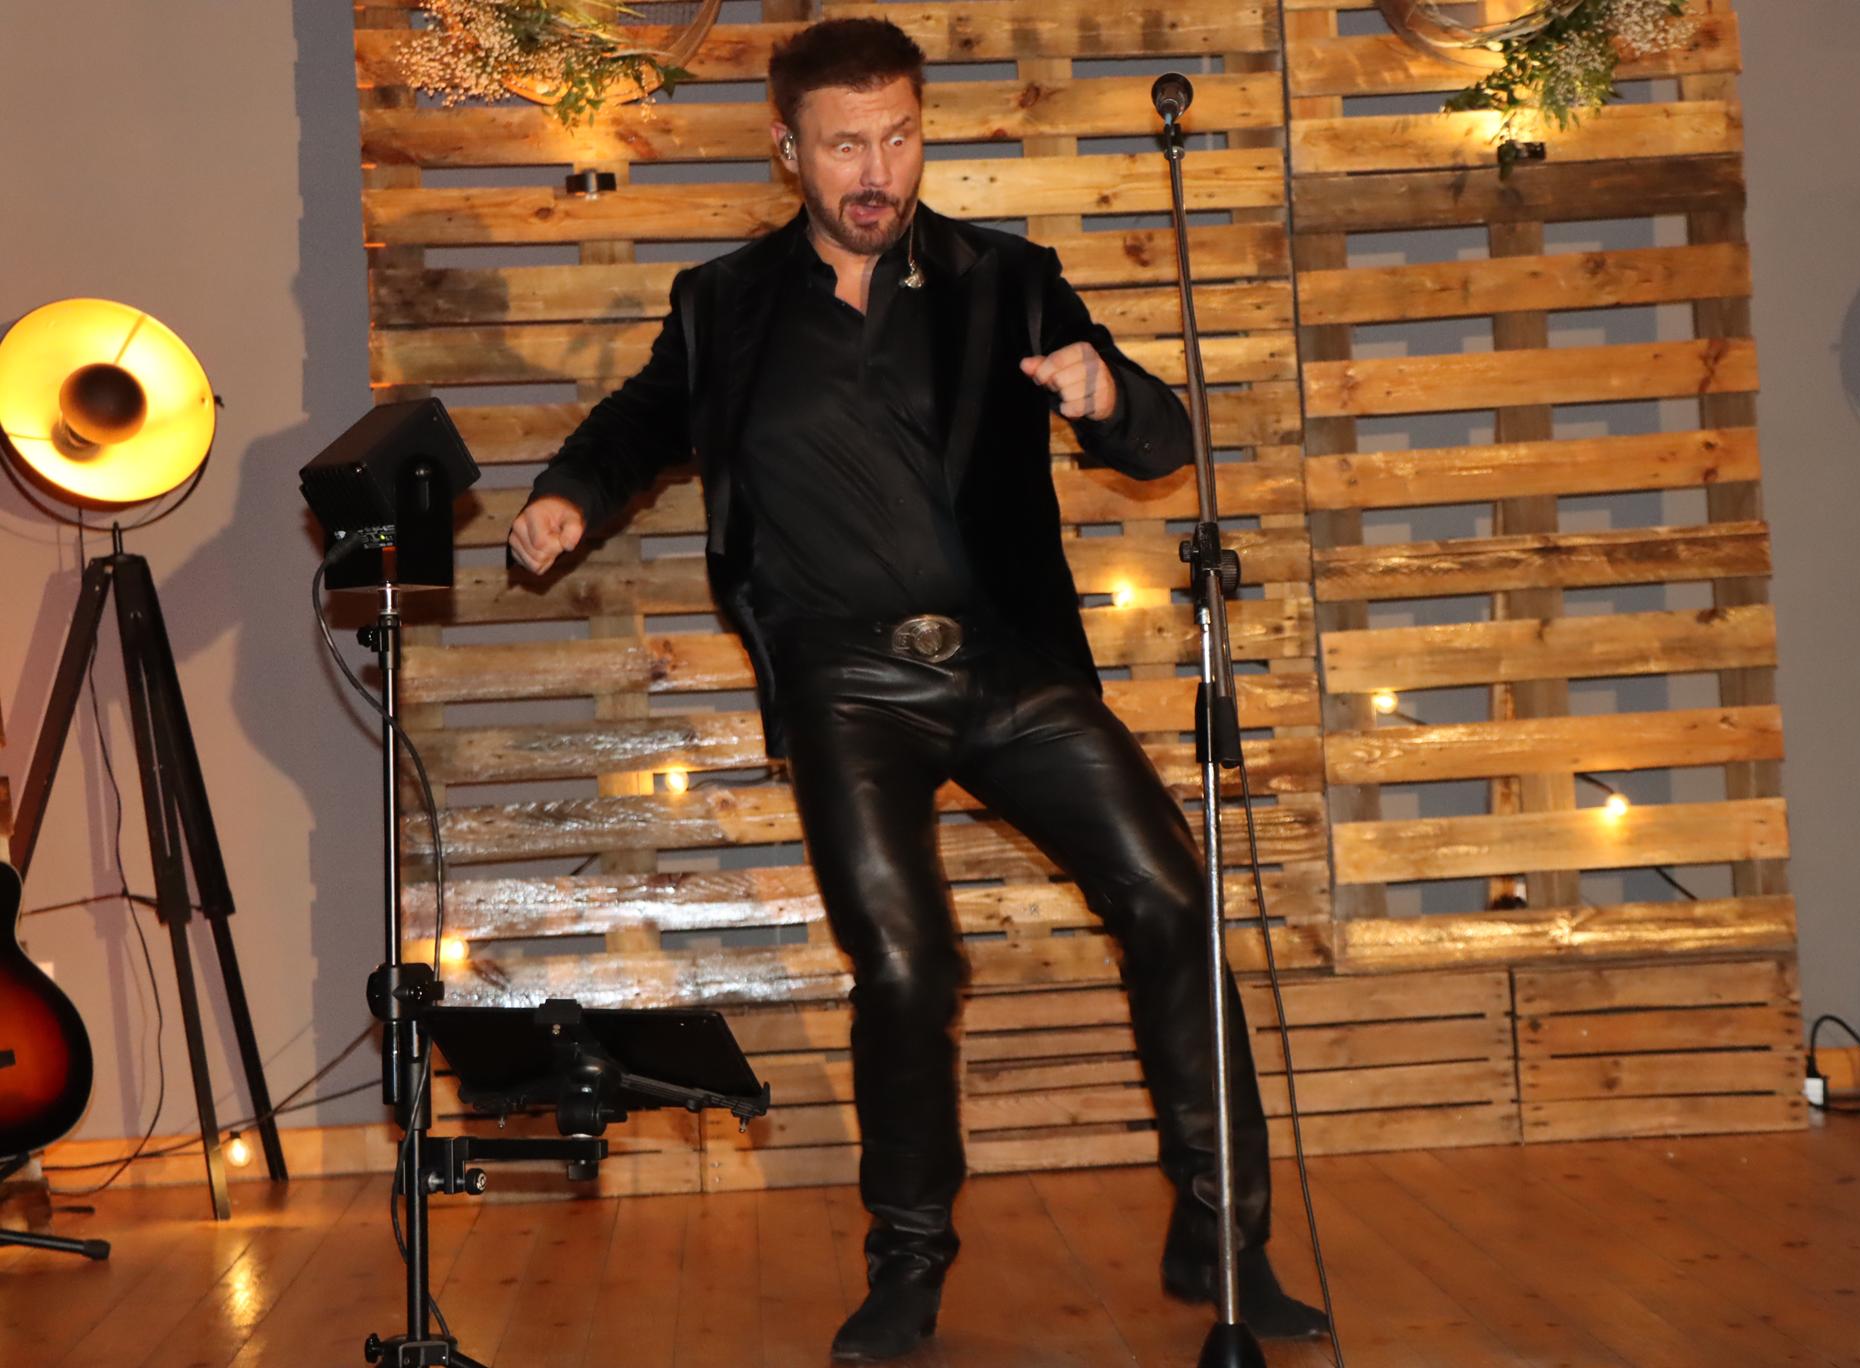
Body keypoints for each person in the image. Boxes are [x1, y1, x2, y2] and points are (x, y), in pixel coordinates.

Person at [508, 17, 1328, 1361]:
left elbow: (1163, 441)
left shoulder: (1006, 279)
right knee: (906, 959)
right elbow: (643, 422)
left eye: (898, 137)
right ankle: (907, 1261)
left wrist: (1105, 391)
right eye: (846, 146)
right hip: (846, 686)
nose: (877, 171)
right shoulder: (724, 304)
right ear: (789, 150)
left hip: (1008, 665)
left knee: (1173, 898)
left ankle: (1223, 1236)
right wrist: (567, 498)